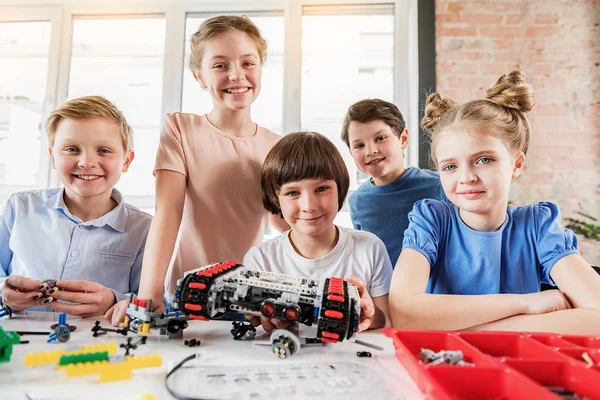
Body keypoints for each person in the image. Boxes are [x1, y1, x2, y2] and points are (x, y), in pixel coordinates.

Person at [106, 15, 287, 325]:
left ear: (260, 68)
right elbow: (168, 214)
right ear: (200, 77)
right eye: (220, 65)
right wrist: (148, 296)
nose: (237, 75)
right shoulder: (180, 128)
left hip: (248, 297)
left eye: (248, 63)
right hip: (185, 294)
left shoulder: (277, 145)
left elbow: (284, 225)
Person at [389, 71, 600, 334]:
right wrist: (524, 303)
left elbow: (597, 316)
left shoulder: (537, 226)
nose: (466, 177)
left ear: (516, 164)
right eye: (451, 166)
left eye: (484, 160)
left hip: (520, 364)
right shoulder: (432, 221)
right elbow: (403, 312)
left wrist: (465, 328)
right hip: (441, 363)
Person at [0, 96, 152, 316]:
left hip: (103, 346)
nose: (87, 162)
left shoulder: (144, 229)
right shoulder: (20, 207)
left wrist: (114, 301)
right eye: (72, 149)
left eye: (104, 150)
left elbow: (153, 301)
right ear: (53, 158)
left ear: (126, 161)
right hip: (17, 342)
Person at [243, 132, 393, 332]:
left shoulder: (370, 247)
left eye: (322, 189)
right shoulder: (260, 260)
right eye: (293, 193)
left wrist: (368, 314)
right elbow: (258, 330)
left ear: (340, 189)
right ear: (275, 198)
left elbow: (388, 322)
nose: (309, 206)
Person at [342, 99, 445, 266]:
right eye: (359, 145)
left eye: (380, 138)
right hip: (386, 291)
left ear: (403, 139)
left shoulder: (441, 186)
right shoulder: (358, 202)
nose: (371, 151)